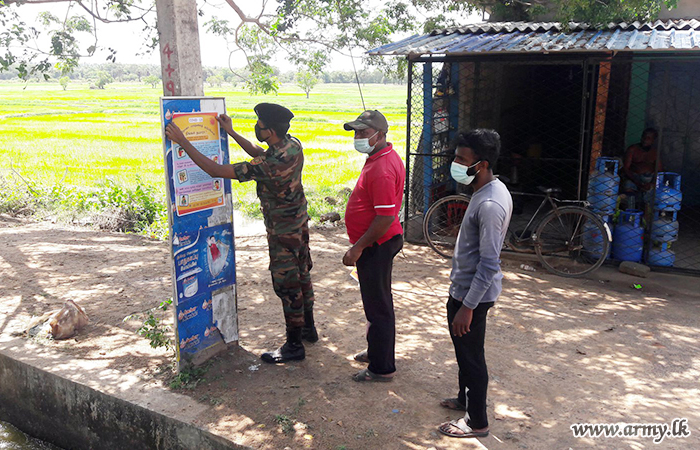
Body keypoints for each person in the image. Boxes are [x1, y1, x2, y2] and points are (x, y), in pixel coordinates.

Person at [165, 103, 318, 364]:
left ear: (269, 130)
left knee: (287, 285)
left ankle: (294, 345)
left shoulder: (269, 166)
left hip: (282, 233)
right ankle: (308, 329)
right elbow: (260, 153)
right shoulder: (292, 146)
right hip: (299, 226)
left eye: (259, 125)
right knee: (302, 275)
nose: (256, 127)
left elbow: (216, 171)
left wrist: (182, 141)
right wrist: (232, 133)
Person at [437, 129, 512, 438]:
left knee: (471, 356)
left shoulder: (490, 205)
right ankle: (463, 399)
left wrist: (467, 307)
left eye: (461, 160)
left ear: (481, 165)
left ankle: (476, 421)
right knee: (463, 349)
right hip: (465, 290)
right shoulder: (489, 190)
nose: (455, 163)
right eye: (456, 156)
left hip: (473, 296)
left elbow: (489, 262)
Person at [342, 110, 405, 382]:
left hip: (377, 243)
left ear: (380, 135)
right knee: (375, 302)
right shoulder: (381, 157)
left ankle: (382, 368)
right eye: (356, 132)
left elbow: (385, 217)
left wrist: (357, 248)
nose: (358, 137)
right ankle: (376, 350)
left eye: (363, 133)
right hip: (378, 241)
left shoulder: (381, 168)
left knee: (378, 306)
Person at [622, 128, 661, 210]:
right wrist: (637, 182)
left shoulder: (655, 153)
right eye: (644, 137)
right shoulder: (633, 149)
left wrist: (651, 183)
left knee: (652, 195)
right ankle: (631, 213)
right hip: (633, 178)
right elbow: (626, 169)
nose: (645, 140)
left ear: (653, 140)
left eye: (649, 138)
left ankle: (646, 216)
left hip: (649, 180)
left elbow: (660, 171)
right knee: (628, 189)